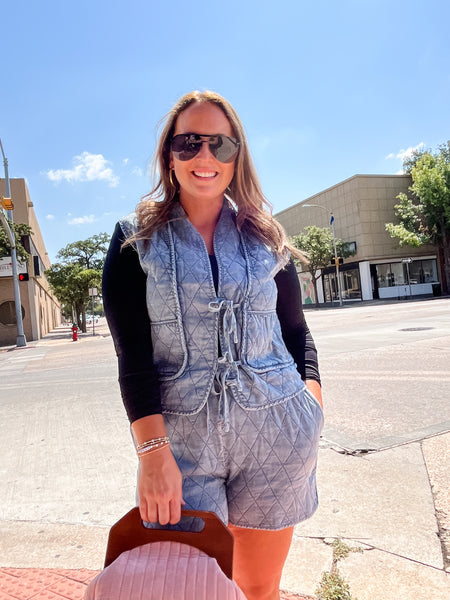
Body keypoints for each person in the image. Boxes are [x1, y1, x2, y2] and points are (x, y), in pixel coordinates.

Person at [103, 90, 324, 600]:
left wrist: (311, 399)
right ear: (169, 155)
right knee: (187, 589)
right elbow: (132, 357)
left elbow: (295, 332)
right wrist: (153, 455)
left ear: (237, 154)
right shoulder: (135, 239)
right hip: (182, 449)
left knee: (260, 588)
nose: (206, 157)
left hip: (279, 436)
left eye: (220, 145)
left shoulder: (266, 236)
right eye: (190, 143)